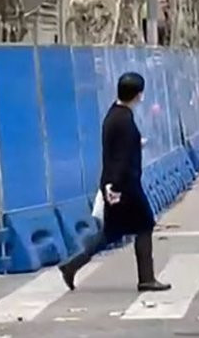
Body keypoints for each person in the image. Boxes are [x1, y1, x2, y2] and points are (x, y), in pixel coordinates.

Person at [59, 72, 171, 292]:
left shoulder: (114, 114)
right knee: (145, 223)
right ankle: (146, 278)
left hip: (117, 183)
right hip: (125, 186)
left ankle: (72, 265)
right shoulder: (124, 120)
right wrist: (114, 186)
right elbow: (119, 157)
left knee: (111, 233)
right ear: (138, 95)